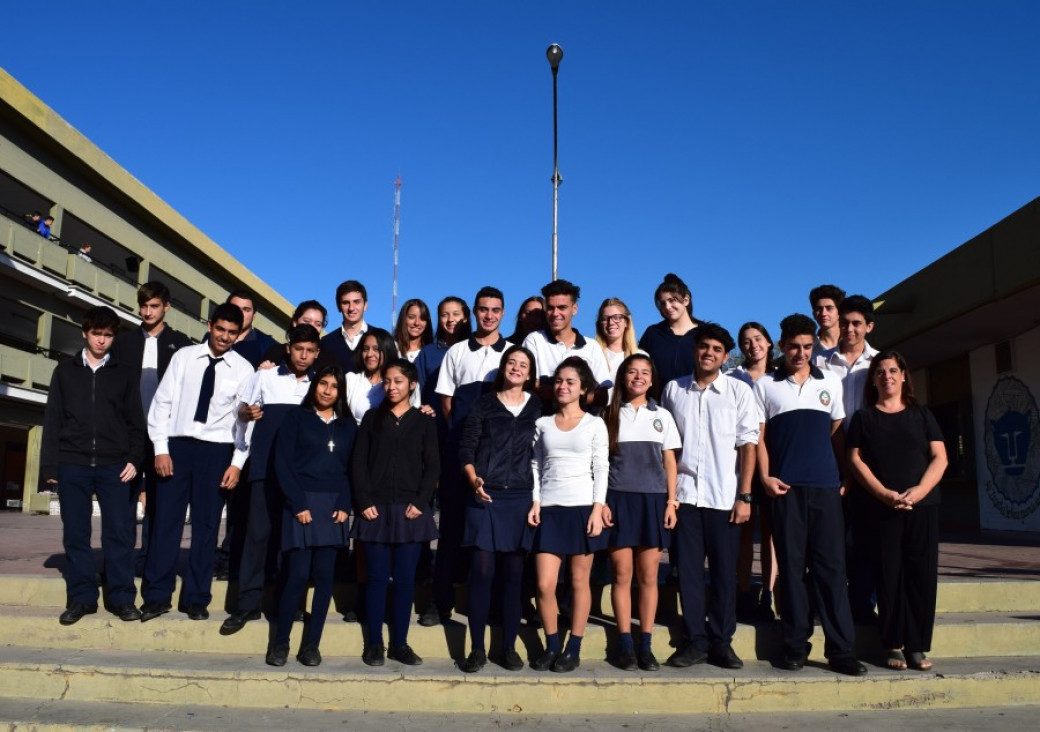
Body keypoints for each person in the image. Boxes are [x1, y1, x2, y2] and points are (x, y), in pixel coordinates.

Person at [754, 313, 866, 676]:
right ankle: (794, 646)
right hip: (785, 491)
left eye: (807, 347)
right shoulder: (766, 385)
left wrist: (845, 476)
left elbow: (837, 433)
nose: (800, 353)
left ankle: (841, 650)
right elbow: (760, 439)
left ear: (812, 347)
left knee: (832, 569)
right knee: (791, 569)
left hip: (825, 489)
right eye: (794, 347)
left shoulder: (830, 382)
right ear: (782, 347)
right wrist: (766, 477)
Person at [141, 303, 254, 622]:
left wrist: (237, 463)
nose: (225, 337)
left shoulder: (244, 369)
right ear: (210, 325)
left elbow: (244, 423)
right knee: (165, 523)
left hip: (217, 452)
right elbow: (161, 403)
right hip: (178, 446)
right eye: (221, 330)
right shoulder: (184, 358)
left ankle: (196, 597)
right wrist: (161, 448)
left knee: (206, 528)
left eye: (233, 332)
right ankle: (156, 595)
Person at [42, 306, 146, 625]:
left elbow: (135, 422)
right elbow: (53, 419)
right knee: (76, 533)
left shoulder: (125, 372)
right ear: (85, 334)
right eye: (97, 334)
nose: (102, 340)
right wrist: (50, 468)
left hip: (115, 465)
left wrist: (134, 460)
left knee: (119, 534)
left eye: (108, 335)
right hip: (73, 463)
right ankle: (83, 597)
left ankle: (121, 598)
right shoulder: (65, 371)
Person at [662, 323, 758, 670]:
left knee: (722, 574)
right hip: (686, 498)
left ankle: (721, 641)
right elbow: (668, 449)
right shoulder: (673, 390)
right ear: (695, 349)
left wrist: (744, 496)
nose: (709, 353)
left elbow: (749, 445)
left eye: (717, 350)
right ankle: (695, 641)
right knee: (687, 573)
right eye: (704, 347)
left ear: (726, 356)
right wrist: (670, 498)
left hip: (724, 498)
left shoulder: (739, 392)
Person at [848, 351, 947, 672]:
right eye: (880, 372)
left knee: (920, 574)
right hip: (880, 508)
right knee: (888, 575)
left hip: (922, 506)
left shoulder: (922, 415)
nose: (887, 376)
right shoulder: (864, 418)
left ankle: (917, 645)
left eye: (893, 370)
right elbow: (855, 460)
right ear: (873, 379)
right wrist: (884, 494)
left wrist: (917, 492)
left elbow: (940, 458)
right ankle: (893, 644)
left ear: (904, 376)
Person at [221, 324, 321, 635]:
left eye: (310, 351)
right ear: (288, 348)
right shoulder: (264, 376)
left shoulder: (320, 385)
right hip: (263, 470)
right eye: (298, 349)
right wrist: (239, 456)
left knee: (291, 542)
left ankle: (286, 604)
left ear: (316, 353)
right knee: (257, 538)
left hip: (301, 478)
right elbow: (242, 416)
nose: (303, 356)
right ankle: (247, 605)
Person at [457, 345, 541, 673]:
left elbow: (543, 455)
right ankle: (477, 649)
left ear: (530, 374)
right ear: (502, 367)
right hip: (486, 497)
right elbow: (466, 448)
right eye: (511, 362)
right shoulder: (484, 404)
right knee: (481, 574)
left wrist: (537, 497)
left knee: (513, 577)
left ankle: (507, 647)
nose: (516, 368)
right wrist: (473, 478)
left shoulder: (538, 407)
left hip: (520, 499)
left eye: (523, 365)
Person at [429, 286, 511, 625]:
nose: (489, 315)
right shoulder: (457, 352)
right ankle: (440, 602)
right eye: (483, 309)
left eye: (495, 310)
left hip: (500, 458)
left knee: (494, 533)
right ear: (474, 313)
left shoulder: (514, 353)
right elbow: (447, 402)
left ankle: (494, 605)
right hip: (458, 453)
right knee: (451, 528)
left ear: (503, 313)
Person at [265, 365, 357, 667]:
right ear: (314, 385)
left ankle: (311, 646)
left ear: (340, 391)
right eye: (323, 383)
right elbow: (283, 464)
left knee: (325, 578)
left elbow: (350, 469)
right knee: (296, 575)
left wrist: (345, 504)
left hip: (333, 509)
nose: (327, 390)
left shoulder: (347, 425)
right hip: (301, 505)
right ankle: (280, 644)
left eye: (334, 385)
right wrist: (297, 503)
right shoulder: (296, 418)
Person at [351, 359, 440, 667]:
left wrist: (421, 500)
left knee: (404, 580)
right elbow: (358, 465)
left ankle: (399, 643)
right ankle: (374, 644)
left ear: (412, 384)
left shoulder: (425, 421)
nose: (391, 386)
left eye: (398, 381)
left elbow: (433, 467)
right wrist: (363, 501)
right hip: (374, 511)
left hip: (411, 513)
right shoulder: (372, 419)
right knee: (375, 579)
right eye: (387, 381)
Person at [527, 357, 609, 673]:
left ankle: (573, 647)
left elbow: (601, 467)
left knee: (578, 582)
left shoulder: (594, 424)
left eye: (570, 382)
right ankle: (551, 645)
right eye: (559, 381)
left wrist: (598, 508)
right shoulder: (542, 424)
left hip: (582, 508)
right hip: (548, 508)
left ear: (583, 389)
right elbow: (535, 465)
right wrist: (535, 501)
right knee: (546, 585)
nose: (563, 386)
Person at [110, 281, 193, 575]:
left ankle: (150, 563)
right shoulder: (123, 343)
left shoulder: (182, 344)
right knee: (122, 505)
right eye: (143, 305)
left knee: (160, 505)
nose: (147, 311)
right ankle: (119, 565)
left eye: (154, 306)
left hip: (165, 439)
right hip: (127, 438)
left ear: (166, 307)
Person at [602, 353, 679, 671]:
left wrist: (672, 502)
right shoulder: (607, 415)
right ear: (622, 377)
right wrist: (602, 502)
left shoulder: (662, 415)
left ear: (652, 378)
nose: (638, 376)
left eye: (645, 372)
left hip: (653, 503)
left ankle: (645, 644)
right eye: (632, 371)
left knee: (649, 576)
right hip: (618, 501)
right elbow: (600, 463)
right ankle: (624, 644)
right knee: (622, 575)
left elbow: (670, 462)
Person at [816, 294, 879, 624]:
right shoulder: (822, 365)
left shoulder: (881, 363)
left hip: (872, 461)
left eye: (857, 324)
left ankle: (862, 604)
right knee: (831, 538)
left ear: (869, 326)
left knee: (867, 538)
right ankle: (829, 602)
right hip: (831, 459)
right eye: (846, 323)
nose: (850, 329)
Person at [728, 322, 779, 622]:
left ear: (769, 343)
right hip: (742, 464)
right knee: (744, 533)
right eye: (745, 341)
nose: (752, 345)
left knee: (771, 534)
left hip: (774, 463)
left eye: (758, 339)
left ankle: (768, 594)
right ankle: (744, 591)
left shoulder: (780, 377)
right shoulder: (732, 378)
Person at [523, 280, 611, 411]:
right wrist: (579, 392)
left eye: (562, 307)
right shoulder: (534, 340)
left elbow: (602, 396)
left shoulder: (591, 346)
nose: (555, 313)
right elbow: (528, 386)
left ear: (574, 309)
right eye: (550, 308)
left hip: (582, 427)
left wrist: (555, 393)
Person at [638, 273, 700, 389]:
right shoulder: (653, 333)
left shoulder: (705, 333)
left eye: (672, 300)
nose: (667, 306)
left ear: (686, 300)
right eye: (662, 303)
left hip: (695, 402)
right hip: (656, 403)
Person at [345, 328, 419, 424]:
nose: (369, 354)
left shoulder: (405, 381)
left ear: (387, 349)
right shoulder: (351, 380)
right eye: (365, 349)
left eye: (376, 349)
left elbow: (415, 413)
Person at [414, 296, 471, 417]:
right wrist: (424, 406)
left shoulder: (474, 349)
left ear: (465, 318)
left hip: (468, 422)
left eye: (456, 314)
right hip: (435, 423)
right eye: (444, 315)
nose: (450, 319)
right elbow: (417, 389)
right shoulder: (428, 352)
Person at [318, 280, 369, 373]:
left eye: (356, 302)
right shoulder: (327, 343)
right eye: (345, 303)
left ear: (365, 305)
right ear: (338, 306)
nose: (351, 308)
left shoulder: (381, 339)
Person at [259, 300, 328, 367]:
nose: (312, 326)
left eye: (318, 324)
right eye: (307, 321)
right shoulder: (275, 352)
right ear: (295, 322)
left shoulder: (325, 362)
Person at [594, 297, 643, 385]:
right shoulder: (592, 355)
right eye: (605, 318)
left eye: (617, 317)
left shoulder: (641, 357)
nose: (611, 322)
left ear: (627, 322)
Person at [809, 284, 846, 356]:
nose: (823, 313)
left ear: (840, 311)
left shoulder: (854, 344)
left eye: (829, 308)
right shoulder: (808, 350)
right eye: (819, 309)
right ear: (813, 313)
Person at [393, 298, 433, 362]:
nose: (417, 323)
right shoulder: (392, 347)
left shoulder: (432, 351)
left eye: (422, 318)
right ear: (403, 319)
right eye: (411, 317)